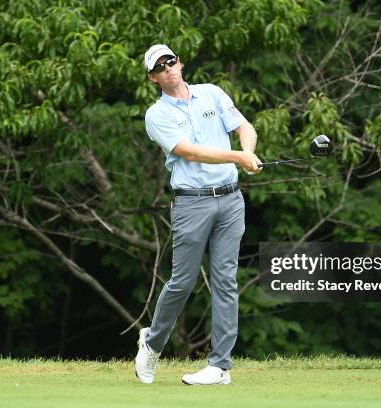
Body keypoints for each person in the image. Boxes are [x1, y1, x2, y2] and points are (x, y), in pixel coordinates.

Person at [134, 44, 262, 385]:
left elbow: (244, 128)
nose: (168, 69)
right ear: (153, 78)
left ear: (181, 63)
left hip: (231, 201)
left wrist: (247, 153)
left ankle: (220, 366)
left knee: (225, 281)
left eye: (171, 61)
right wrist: (238, 158)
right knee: (183, 282)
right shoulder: (156, 115)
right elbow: (189, 152)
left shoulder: (212, 94)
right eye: (160, 67)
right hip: (192, 203)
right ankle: (152, 342)